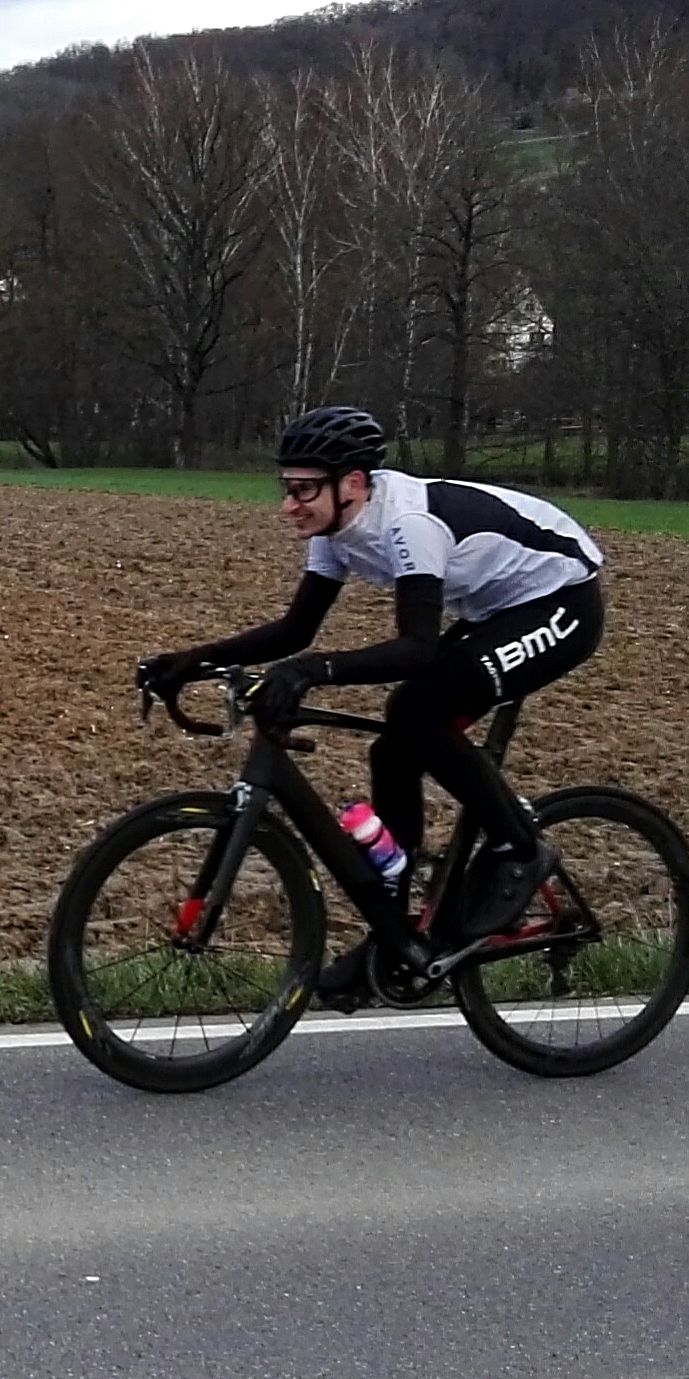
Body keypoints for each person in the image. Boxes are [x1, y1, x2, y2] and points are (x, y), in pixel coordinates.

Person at [137, 406, 607, 1010]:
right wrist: (189, 661)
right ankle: (395, 937)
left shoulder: (407, 523)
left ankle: (520, 850)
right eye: (286, 489)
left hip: (560, 600)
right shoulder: (336, 533)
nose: (290, 505)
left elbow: (416, 648)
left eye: (305, 489)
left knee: (418, 710)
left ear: (352, 483)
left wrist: (313, 674)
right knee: (393, 747)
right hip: (497, 608)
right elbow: (294, 631)